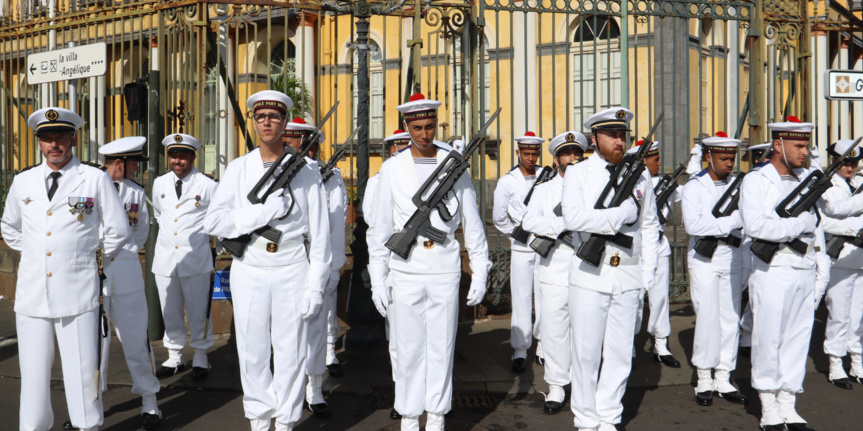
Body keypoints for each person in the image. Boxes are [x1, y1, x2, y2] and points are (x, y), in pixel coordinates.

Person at [204, 90, 331, 431]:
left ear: (285, 122)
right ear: (254, 121)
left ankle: (287, 422)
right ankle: (259, 421)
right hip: (251, 266)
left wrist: (315, 286)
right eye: (261, 117)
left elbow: (320, 237)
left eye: (274, 117)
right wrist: (260, 214)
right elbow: (213, 222)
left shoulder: (305, 170)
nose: (267, 123)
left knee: (291, 351)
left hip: (292, 265)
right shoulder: (238, 168)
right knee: (252, 349)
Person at [2, 107, 131, 431]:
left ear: (73, 138)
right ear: (39, 142)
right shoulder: (23, 181)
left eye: (60, 136)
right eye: (47, 138)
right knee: (32, 378)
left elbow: (118, 231)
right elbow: (10, 227)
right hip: (32, 295)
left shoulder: (94, 178)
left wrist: (87, 259)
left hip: (77, 291)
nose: (54, 144)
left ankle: (88, 427)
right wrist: (37, 255)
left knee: (83, 374)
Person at [367, 93, 491, 431]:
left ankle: (436, 416)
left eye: (430, 126)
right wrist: (378, 277)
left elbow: (472, 219)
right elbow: (379, 230)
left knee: (442, 345)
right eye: (417, 127)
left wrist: (480, 267)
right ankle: (409, 416)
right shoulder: (392, 169)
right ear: (406, 127)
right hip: (405, 268)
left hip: (444, 266)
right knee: (407, 348)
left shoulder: (454, 164)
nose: (424, 134)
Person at [561, 107, 660, 431]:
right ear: (594, 138)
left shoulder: (641, 174)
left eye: (623, 135)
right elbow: (574, 218)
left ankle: (609, 418)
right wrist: (617, 216)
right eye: (612, 135)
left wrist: (647, 274)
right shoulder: (579, 173)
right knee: (587, 354)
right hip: (590, 274)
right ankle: (586, 420)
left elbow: (649, 225)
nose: (619, 141)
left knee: (619, 356)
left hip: (628, 275)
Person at [740, 116, 830, 431]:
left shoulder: (808, 178)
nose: (805, 152)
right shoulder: (756, 180)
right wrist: (798, 225)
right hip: (772, 268)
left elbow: (828, 217)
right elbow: (756, 226)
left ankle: (788, 404)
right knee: (769, 338)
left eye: (806, 145)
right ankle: (768, 406)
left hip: (803, 267)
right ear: (778, 144)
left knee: (797, 338)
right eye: (799, 145)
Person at [89, 137, 161, 429]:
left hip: (127, 276)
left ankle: (150, 402)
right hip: (94, 276)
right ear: (119, 164)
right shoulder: (88, 189)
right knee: (94, 345)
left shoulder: (135, 193)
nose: (135, 168)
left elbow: (140, 231)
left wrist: (124, 257)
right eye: (133, 163)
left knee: (136, 342)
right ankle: (90, 407)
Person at [283, 118, 347, 417]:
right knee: (285, 332)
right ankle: (288, 389)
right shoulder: (273, 173)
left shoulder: (329, 177)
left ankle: (315, 388)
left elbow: (335, 226)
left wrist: (333, 268)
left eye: (303, 145)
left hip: (316, 260)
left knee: (317, 329)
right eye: (291, 144)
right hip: (283, 260)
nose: (299, 152)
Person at [521, 130, 587, 415]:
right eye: (566, 154)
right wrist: (561, 224)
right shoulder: (545, 190)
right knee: (555, 329)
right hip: (555, 266)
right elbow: (528, 220)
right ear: (556, 159)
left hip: (585, 265)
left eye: (577, 154)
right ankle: (557, 385)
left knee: (585, 329)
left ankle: (585, 384)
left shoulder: (592, 187)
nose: (572, 159)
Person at [680, 132, 748, 407]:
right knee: (707, 318)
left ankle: (724, 375)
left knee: (730, 318)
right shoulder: (695, 187)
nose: (729, 163)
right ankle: (704, 377)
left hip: (732, 255)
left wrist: (730, 224)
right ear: (709, 157)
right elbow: (693, 226)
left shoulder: (741, 185)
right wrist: (729, 222)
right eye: (723, 158)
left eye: (732, 158)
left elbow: (750, 220)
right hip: (704, 259)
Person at [151, 133, 219, 381]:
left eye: (183, 155)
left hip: (196, 258)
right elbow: (160, 215)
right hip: (166, 258)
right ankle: (175, 355)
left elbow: (217, 219)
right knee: (170, 310)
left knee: (200, 310)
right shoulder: (159, 183)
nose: (177, 160)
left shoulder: (208, 186)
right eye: (173, 155)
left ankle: (201, 355)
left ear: (193, 156)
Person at [364, 129, 412, 421]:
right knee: (397, 336)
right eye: (396, 144)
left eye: (405, 144)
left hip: (423, 260)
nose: (401, 148)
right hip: (394, 255)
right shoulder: (377, 180)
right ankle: (402, 394)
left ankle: (431, 395)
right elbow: (373, 218)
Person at [492, 131, 546, 372]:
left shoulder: (547, 176)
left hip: (545, 245)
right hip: (523, 248)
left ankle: (545, 346)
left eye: (535, 153)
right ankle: (520, 350)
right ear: (518, 153)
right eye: (526, 153)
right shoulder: (507, 181)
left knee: (546, 297)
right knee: (522, 297)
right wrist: (516, 234)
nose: (531, 158)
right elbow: (499, 217)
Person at [628, 139, 683, 369]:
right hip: (637, 249)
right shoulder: (632, 184)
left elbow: (691, 193)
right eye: (655, 159)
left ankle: (661, 345)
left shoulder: (665, 184)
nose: (659, 163)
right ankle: (628, 345)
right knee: (634, 299)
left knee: (660, 298)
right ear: (642, 160)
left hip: (659, 246)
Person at [818, 139, 863, 390]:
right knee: (839, 313)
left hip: (861, 257)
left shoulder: (858, 183)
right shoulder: (827, 187)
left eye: (854, 163)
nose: (850, 167)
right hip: (841, 255)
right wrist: (856, 227)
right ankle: (836, 363)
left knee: (859, 316)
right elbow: (824, 222)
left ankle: (857, 361)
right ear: (835, 161)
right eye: (846, 162)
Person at [738, 142, 772, 354]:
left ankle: (749, 336)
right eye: (759, 158)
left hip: (768, 241)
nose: (762, 162)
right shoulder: (751, 180)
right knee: (746, 289)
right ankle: (744, 334)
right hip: (748, 240)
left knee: (757, 293)